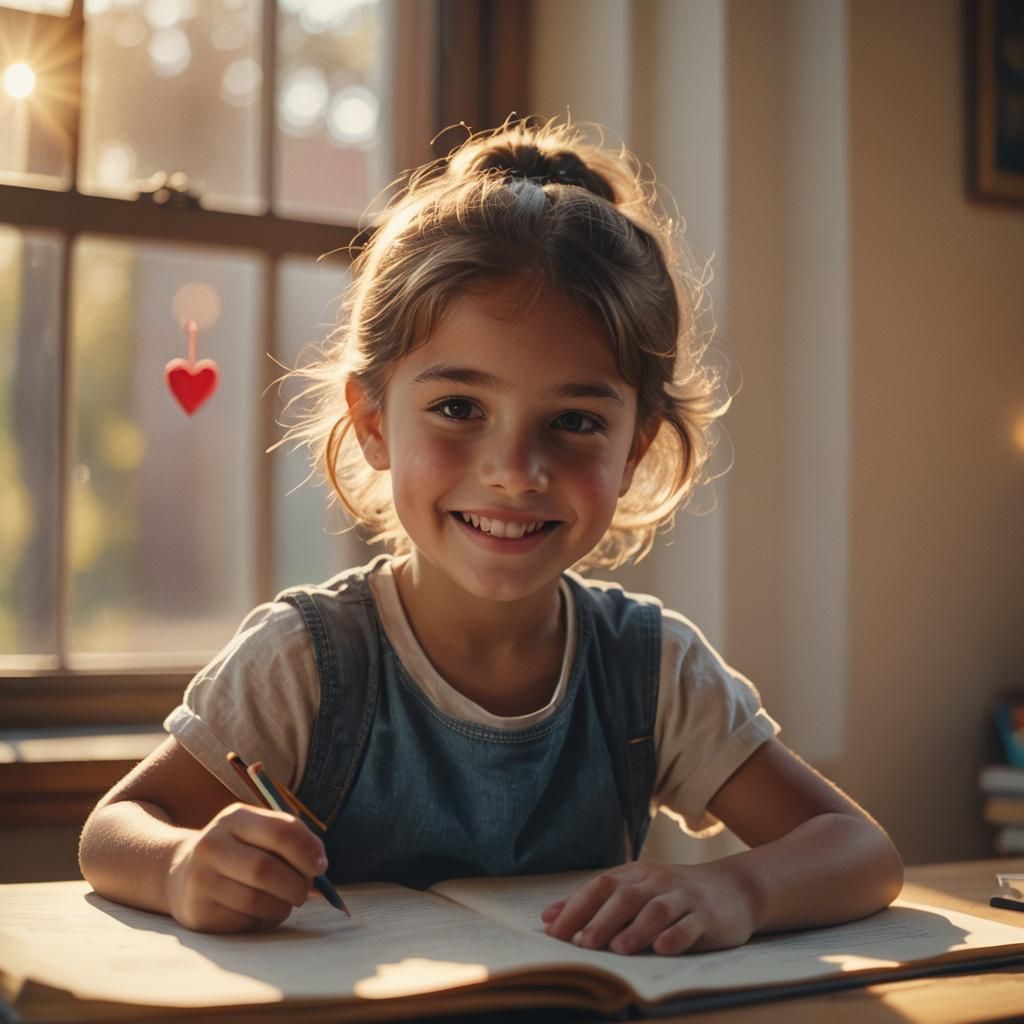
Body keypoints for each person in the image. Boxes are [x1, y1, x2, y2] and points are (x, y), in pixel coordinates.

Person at [79, 119, 903, 954]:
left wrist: (739, 888)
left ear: (636, 449)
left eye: (575, 421)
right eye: (459, 408)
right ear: (372, 422)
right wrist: (183, 866)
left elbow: (863, 853)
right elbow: (114, 831)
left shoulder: (651, 671)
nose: (515, 471)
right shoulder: (305, 662)